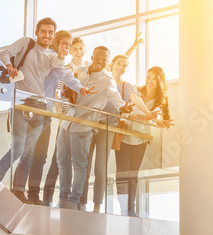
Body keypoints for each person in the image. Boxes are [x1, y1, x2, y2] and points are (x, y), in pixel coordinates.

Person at [0, 18, 94, 202]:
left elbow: (64, 74)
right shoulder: (26, 43)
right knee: (17, 148)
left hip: (38, 106)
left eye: (50, 32)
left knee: (30, 152)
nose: (47, 35)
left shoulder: (52, 57)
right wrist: (9, 66)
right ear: (37, 32)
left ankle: (18, 191)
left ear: (53, 35)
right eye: (44, 31)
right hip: (21, 102)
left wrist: (81, 88)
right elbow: (4, 53)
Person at [80, 32, 156, 212]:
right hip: (90, 124)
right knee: (84, 165)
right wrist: (133, 47)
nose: (122, 67)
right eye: (118, 64)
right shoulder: (102, 76)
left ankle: (98, 205)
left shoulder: (126, 86)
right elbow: (119, 59)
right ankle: (80, 202)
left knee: (100, 168)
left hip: (108, 127)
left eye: (125, 66)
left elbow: (135, 99)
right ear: (110, 64)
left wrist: (149, 114)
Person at [56, 46, 132, 210]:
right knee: (62, 160)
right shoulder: (81, 71)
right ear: (92, 56)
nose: (101, 61)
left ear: (108, 61)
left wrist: (122, 107)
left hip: (84, 126)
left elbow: (114, 95)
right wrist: (65, 92)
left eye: (105, 59)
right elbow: (67, 90)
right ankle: (62, 197)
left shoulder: (107, 80)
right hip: (67, 122)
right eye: (98, 57)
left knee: (80, 165)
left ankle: (73, 201)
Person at [26, 32, 94, 205]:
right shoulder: (66, 69)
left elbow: (109, 69)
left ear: (85, 50)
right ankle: (48, 197)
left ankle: (80, 200)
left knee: (81, 161)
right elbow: (57, 94)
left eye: (81, 48)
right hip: (66, 121)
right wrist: (62, 120)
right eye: (75, 49)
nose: (79, 51)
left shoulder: (88, 69)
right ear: (70, 51)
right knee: (59, 159)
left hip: (82, 123)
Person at [115, 66, 173, 216]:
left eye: (154, 79)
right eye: (148, 77)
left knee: (133, 174)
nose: (150, 81)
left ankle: (130, 209)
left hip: (141, 139)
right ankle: (123, 207)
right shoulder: (134, 91)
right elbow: (124, 111)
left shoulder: (159, 100)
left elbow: (157, 119)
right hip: (125, 134)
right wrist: (143, 117)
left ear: (160, 82)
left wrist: (160, 122)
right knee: (122, 173)